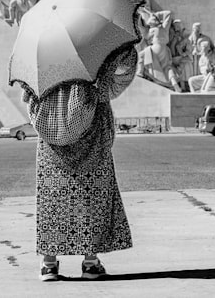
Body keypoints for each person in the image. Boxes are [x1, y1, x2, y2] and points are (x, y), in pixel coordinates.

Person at [21, 44, 138, 281]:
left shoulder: (41, 56)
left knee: (52, 203)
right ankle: (90, 262)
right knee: (92, 199)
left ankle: (49, 264)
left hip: (52, 144)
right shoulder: (95, 55)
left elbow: (27, 96)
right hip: (93, 139)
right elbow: (123, 74)